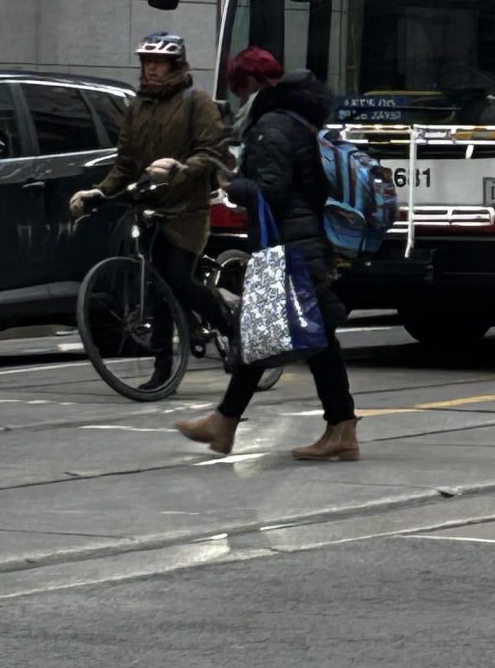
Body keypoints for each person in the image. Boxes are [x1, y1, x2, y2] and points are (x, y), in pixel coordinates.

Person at [175, 68, 358, 462]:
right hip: (306, 241)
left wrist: (231, 185)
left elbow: (272, 190)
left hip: (287, 246)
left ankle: (337, 428)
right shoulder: (305, 126)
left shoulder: (272, 126)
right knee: (281, 334)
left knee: (274, 333)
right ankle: (230, 422)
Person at [71, 33, 236, 368]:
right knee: (158, 287)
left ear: (175, 65)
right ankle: (163, 369)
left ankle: (233, 329)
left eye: (158, 63)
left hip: (187, 211)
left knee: (178, 280)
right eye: (147, 62)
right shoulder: (138, 106)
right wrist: (99, 191)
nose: (152, 69)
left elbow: (212, 151)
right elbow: (125, 163)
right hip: (149, 208)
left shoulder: (196, 101)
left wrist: (180, 168)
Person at [224, 45, 283, 141]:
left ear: (251, 82)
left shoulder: (257, 113)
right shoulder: (292, 104)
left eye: (240, 95)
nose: (241, 103)